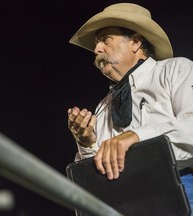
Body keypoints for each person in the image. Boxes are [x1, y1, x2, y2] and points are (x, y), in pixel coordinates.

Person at [67, 2, 193, 212]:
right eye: (97, 44)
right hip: (125, 204)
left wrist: (136, 136)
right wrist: (87, 144)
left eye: (105, 40)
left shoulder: (175, 70)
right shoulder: (103, 106)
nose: (97, 49)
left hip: (182, 192)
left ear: (135, 42)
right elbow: (97, 178)